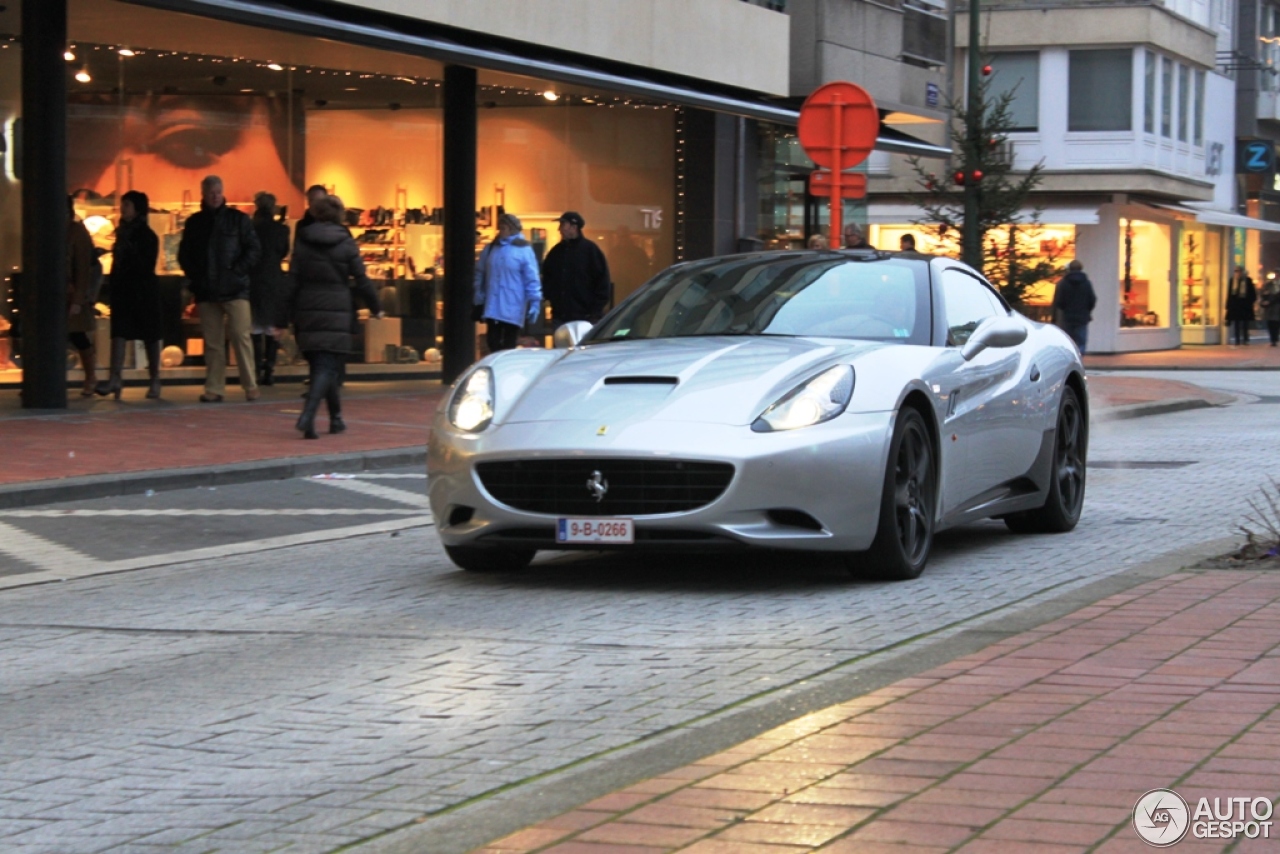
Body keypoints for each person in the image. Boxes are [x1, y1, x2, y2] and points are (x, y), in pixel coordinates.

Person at [279, 194, 381, 439]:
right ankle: (308, 415)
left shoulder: (303, 241)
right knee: (328, 367)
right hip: (337, 309)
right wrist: (376, 306)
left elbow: (292, 280)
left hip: (308, 309)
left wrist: (282, 316)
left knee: (321, 367)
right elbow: (362, 279)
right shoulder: (346, 243)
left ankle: (336, 419)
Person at [178, 174, 262, 402]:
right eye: (211, 193)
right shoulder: (197, 222)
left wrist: (235, 272)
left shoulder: (237, 220)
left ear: (222, 193)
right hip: (211, 289)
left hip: (232, 288)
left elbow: (254, 249)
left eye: (218, 192)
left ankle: (248, 384)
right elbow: (184, 254)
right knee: (215, 342)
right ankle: (216, 388)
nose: (215, 197)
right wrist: (197, 277)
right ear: (203, 195)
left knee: (239, 336)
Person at [97, 190, 162, 400]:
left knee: (149, 335)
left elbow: (146, 264)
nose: (123, 209)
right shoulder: (121, 233)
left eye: (127, 205)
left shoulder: (147, 236)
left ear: (137, 209)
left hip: (143, 290)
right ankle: (115, 378)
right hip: (123, 290)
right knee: (119, 333)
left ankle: (154, 379)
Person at [474, 212, 542, 352]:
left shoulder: (524, 250)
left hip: (513, 306)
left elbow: (532, 279)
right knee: (492, 342)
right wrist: (478, 293)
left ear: (512, 229)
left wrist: (535, 301)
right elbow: (480, 272)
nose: (501, 231)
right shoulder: (492, 248)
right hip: (492, 306)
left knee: (508, 345)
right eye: (500, 228)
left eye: (504, 228)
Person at [541, 211, 610, 327]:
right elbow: (547, 278)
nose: (560, 229)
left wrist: (595, 311)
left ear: (574, 227)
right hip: (560, 316)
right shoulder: (556, 252)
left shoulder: (590, 251)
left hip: (585, 317)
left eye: (563, 225)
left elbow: (602, 282)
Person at [250, 192, 291, 386]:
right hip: (274, 278)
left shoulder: (251, 228)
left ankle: (256, 368)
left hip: (253, 279)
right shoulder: (281, 230)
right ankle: (270, 369)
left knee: (255, 327)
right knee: (271, 328)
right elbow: (283, 252)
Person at [67, 197, 98, 397]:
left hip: (70, 293)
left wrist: (79, 299)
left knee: (77, 335)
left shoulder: (76, 232)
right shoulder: (45, 229)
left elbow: (83, 267)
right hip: (55, 293)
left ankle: (90, 377)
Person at [1052, 260, 1098, 354]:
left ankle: (1071, 359)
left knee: (1068, 341)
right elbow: (1092, 299)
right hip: (1082, 317)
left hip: (1067, 317)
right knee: (1081, 342)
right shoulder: (1087, 283)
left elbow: (1059, 301)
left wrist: (1058, 315)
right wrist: (1087, 311)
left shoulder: (1063, 283)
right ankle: (1079, 358)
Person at [1226, 266, 1257, 347]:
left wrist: (1250, 303)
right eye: (1236, 271)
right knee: (1236, 323)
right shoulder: (1232, 280)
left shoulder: (1247, 280)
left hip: (1245, 305)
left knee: (1245, 323)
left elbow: (1253, 294)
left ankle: (1246, 339)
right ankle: (1237, 340)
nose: (1237, 273)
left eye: (1239, 271)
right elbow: (1229, 294)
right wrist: (1228, 306)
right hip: (1235, 305)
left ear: (1242, 272)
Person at [1261, 273, 1280, 347]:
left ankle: (1274, 338)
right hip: (1269, 308)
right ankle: (1273, 339)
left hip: (1277, 307)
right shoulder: (1268, 285)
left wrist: (1270, 301)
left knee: (1276, 323)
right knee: (1270, 323)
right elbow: (1263, 294)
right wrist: (1264, 300)